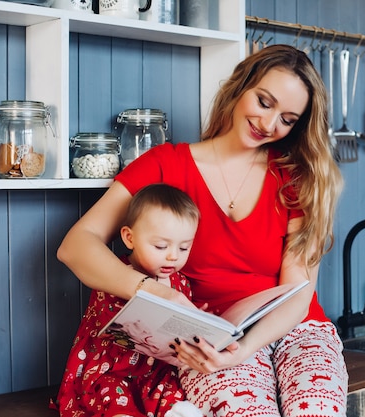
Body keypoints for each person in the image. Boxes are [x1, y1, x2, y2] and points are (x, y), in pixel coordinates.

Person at [57, 44, 347, 416]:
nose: (269, 124)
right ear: (240, 86)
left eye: (288, 119)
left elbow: (297, 293)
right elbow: (76, 245)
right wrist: (155, 292)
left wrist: (246, 348)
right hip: (208, 339)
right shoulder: (165, 165)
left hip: (299, 330)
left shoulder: (295, 178)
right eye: (264, 101)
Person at [53, 183, 202, 417]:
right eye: (161, 246)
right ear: (129, 238)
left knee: (173, 395)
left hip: (156, 371)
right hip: (112, 369)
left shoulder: (180, 283)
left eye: (184, 248)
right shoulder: (115, 274)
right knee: (112, 398)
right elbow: (114, 330)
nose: (173, 256)